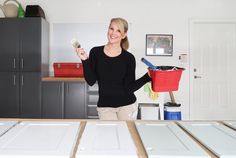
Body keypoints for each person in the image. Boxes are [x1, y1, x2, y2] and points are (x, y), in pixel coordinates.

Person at [76, 17, 151, 120]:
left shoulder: (129, 58)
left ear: (124, 35)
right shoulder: (96, 52)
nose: (113, 33)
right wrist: (84, 60)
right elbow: (91, 81)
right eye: (111, 28)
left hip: (127, 106)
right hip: (105, 107)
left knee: (127, 135)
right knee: (108, 135)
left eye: (118, 30)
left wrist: (147, 77)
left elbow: (129, 88)